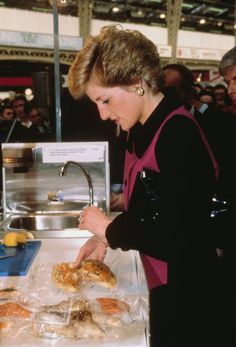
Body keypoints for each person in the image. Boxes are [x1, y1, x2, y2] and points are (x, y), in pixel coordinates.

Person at [68, 25, 232, 346]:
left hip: (191, 296)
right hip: (165, 283)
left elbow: (178, 234)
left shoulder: (177, 134)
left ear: (136, 83)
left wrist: (108, 230)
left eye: (105, 100)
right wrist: (106, 237)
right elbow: (149, 208)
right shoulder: (139, 128)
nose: (102, 114)